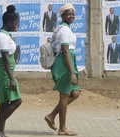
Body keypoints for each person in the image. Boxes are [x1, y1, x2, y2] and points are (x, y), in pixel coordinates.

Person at [44, 4, 79, 136]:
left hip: (67, 61)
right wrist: (71, 73)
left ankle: (51, 116)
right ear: (62, 15)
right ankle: (62, 128)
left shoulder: (63, 28)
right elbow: (65, 51)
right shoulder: (64, 30)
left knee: (74, 94)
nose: (71, 16)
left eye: (73, 14)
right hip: (64, 63)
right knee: (64, 96)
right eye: (68, 14)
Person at [0, 5, 22, 137]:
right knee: (17, 101)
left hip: (3, 71)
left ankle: (1, 133)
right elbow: (5, 60)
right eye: (15, 23)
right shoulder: (2, 37)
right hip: (3, 72)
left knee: (4, 103)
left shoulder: (5, 35)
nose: (16, 26)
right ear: (9, 23)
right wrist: (12, 78)